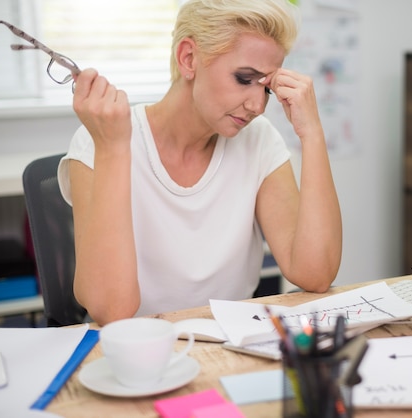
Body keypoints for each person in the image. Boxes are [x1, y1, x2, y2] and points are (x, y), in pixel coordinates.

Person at [57, 0, 342, 326]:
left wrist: (313, 134)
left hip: (230, 349)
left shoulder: (259, 141)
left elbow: (316, 275)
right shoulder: (99, 141)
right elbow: (111, 312)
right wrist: (113, 149)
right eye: (244, 78)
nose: (257, 106)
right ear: (189, 58)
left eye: (267, 90)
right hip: (138, 352)